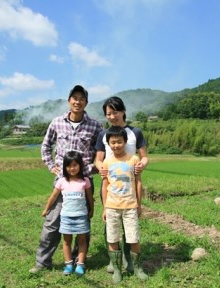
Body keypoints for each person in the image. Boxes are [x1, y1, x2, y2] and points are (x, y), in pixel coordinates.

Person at [29, 85, 103, 274]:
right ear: (69, 100)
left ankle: (79, 262)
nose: (77, 101)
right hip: (62, 182)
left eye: (81, 98)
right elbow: (46, 146)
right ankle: (42, 262)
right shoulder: (56, 122)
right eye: (74, 98)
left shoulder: (95, 125)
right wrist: (51, 165)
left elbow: (101, 151)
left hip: (84, 182)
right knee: (53, 223)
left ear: (86, 102)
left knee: (83, 222)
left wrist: (92, 168)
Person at [94, 96, 148, 274]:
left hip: (129, 183)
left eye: (114, 112)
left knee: (129, 223)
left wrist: (142, 164)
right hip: (111, 184)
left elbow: (144, 156)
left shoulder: (135, 132)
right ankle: (114, 262)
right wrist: (101, 168)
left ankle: (128, 259)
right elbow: (98, 159)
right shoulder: (104, 134)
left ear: (123, 111)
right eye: (108, 113)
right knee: (110, 220)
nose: (111, 116)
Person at [101, 126, 148, 284]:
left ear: (125, 142)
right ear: (108, 144)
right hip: (112, 207)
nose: (116, 145)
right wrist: (105, 208)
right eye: (112, 142)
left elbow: (138, 183)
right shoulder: (107, 162)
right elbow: (104, 186)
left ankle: (138, 268)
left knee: (133, 238)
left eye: (119, 142)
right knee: (112, 239)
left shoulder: (133, 159)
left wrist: (139, 205)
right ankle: (117, 270)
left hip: (130, 206)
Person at [42, 151, 94, 276]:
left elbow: (90, 198)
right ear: (65, 167)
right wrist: (46, 209)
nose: (72, 168)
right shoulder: (61, 181)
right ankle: (69, 264)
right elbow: (53, 197)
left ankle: (80, 264)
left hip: (81, 216)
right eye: (69, 166)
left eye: (75, 165)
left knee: (82, 241)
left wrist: (92, 210)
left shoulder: (85, 181)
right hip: (66, 217)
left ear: (80, 166)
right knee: (66, 241)